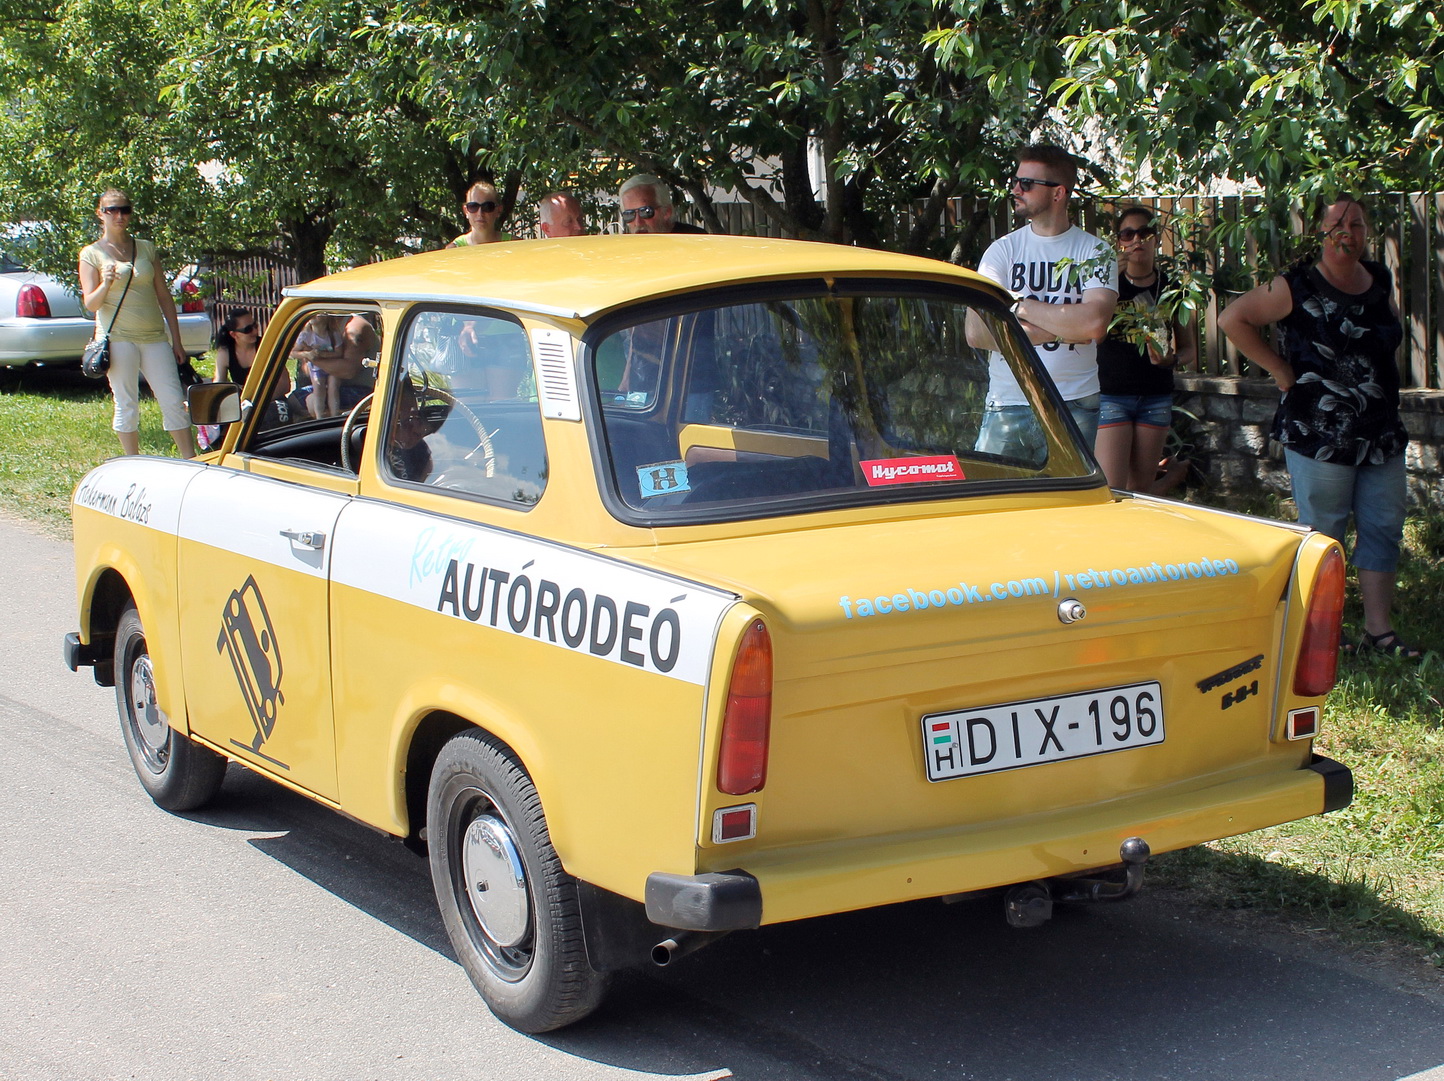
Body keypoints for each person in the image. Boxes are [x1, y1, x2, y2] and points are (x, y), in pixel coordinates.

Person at [1219, 196, 1419, 658]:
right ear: (1320, 235)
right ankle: (1322, 632)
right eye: (1337, 225)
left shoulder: (1379, 279)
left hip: (1380, 430)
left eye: (1357, 223)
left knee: (1383, 526)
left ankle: (1379, 631)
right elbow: (1234, 319)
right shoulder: (1297, 284)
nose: (1348, 231)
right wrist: (1280, 371)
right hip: (1318, 430)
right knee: (1325, 533)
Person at [965, 145, 1118, 458]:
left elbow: (1094, 323)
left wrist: (1016, 305)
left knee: (1068, 506)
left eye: (1027, 184)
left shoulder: (1095, 252)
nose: (1015, 189)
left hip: (1073, 403)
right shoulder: (1002, 252)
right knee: (998, 504)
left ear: (1058, 193)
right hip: (1010, 402)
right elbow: (976, 333)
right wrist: (1064, 329)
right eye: (1016, 180)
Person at [77, 189, 195, 458]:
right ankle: (131, 461)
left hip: (154, 336)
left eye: (124, 209)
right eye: (112, 210)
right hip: (117, 337)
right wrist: (106, 282)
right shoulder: (91, 254)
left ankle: (190, 459)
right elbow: (91, 304)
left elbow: (164, 296)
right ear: (101, 214)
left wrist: (176, 341)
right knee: (127, 402)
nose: (119, 215)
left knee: (174, 400)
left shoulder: (145, 248)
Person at [1095, 207, 1196, 492]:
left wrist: (1172, 359)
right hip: (1112, 394)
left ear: (1155, 239)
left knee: (1138, 491)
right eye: (1128, 233)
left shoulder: (1172, 288)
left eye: (1145, 232)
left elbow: (1189, 350)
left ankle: (1171, 478)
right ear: (1120, 242)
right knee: (1112, 489)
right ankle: (1174, 477)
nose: (1137, 239)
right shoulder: (1108, 286)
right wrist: (1109, 284)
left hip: (1155, 396)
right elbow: (1094, 336)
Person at [618, 174, 706, 234]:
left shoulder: (695, 240)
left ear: (667, 211)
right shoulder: (627, 251)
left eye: (646, 212)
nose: (638, 222)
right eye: (629, 214)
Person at [447, 180, 512, 247]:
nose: (480, 213)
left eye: (487, 207)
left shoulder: (514, 245)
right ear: (466, 211)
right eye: (473, 206)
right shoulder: (455, 249)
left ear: (498, 210)